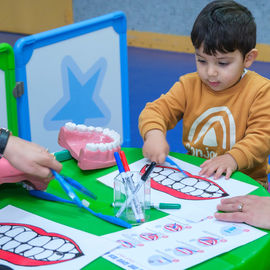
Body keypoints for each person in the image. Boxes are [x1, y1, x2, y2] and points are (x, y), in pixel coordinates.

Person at [138, 0, 270, 189]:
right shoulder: (189, 85)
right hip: (198, 178)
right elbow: (155, 111)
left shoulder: (261, 91)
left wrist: (232, 158)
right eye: (202, 60)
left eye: (222, 63)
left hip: (247, 184)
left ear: (248, 58)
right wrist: (154, 134)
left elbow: (262, 138)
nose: (210, 72)